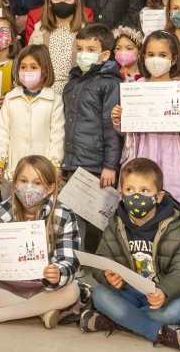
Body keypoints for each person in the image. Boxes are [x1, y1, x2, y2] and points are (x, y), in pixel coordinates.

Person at [80, 157, 180, 350]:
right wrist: (108, 278)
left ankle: (115, 320)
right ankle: (158, 331)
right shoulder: (115, 226)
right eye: (130, 190)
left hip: (161, 298)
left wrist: (165, 291)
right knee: (100, 293)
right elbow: (101, 261)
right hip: (128, 293)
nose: (136, 196)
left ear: (158, 197)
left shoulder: (176, 229)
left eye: (144, 191)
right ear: (121, 193)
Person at [0, 155, 81, 327]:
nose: (28, 187)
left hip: (43, 288)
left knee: (72, 291)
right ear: (14, 183)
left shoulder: (64, 215)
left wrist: (58, 272)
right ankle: (40, 311)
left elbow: (70, 260)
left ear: (49, 188)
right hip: (7, 285)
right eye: (23, 181)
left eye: (37, 183)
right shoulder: (1, 211)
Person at [112, 31, 180, 225]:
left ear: (173, 60)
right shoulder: (136, 87)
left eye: (162, 55)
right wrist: (118, 119)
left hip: (174, 159)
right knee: (140, 207)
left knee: (172, 213)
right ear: (143, 57)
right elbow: (126, 131)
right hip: (141, 154)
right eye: (150, 55)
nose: (156, 60)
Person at [62, 24, 123, 251]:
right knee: (73, 219)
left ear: (104, 54)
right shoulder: (73, 82)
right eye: (79, 48)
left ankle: (103, 265)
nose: (82, 53)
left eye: (90, 48)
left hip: (97, 165)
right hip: (73, 161)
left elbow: (112, 127)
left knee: (99, 221)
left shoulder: (110, 83)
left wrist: (110, 165)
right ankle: (74, 263)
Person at [0, 45, 65, 182]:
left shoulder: (55, 100)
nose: (27, 71)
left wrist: (55, 164)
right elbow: (2, 131)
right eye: (23, 67)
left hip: (42, 171)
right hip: (14, 170)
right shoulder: (10, 98)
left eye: (34, 67)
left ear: (45, 71)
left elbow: (57, 136)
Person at [29, 0, 88, 93]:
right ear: (49, 1)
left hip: (74, 95)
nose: (62, 1)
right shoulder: (39, 31)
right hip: (43, 95)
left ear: (76, 2)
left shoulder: (86, 32)